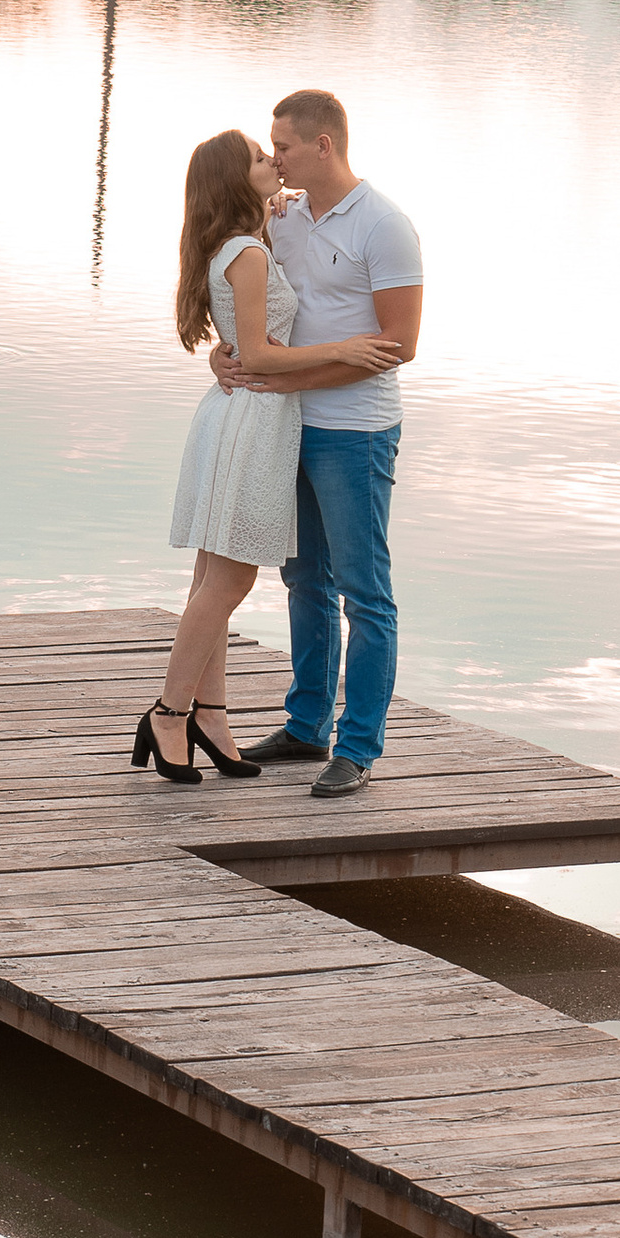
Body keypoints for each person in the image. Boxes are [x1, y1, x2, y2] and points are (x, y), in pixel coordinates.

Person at [139, 129, 401, 788]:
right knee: (227, 584)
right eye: (262, 156)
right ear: (237, 179)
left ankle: (210, 716)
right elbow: (254, 353)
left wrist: (229, 349)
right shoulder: (250, 250)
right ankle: (169, 714)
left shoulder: (251, 236)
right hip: (254, 420)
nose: (273, 161)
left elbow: (242, 338)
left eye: (277, 148)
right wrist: (344, 348)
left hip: (245, 416)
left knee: (212, 581)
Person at [215, 88, 424, 801]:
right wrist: (226, 356)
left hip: (356, 434)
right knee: (304, 580)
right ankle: (308, 727)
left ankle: (358, 747)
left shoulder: (384, 226)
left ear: (322, 145)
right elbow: (255, 310)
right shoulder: (284, 218)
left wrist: (290, 378)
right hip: (288, 426)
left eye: (283, 146)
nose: (274, 158)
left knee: (365, 593)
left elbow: (399, 344)